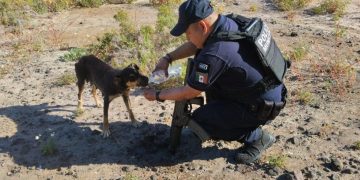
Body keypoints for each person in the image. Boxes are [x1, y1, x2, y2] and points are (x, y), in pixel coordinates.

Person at [143, 0, 286, 164]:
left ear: (203, 26)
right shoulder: (228, 23)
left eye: (188, 33)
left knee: (201, 121)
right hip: (265, 90)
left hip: (262, 106)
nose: (187, 37)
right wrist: (167, 58)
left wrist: (157, 95)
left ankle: (257, 138)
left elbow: (189, 92)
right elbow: (196, 44)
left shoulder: (216, 53)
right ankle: (229, 117)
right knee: (210, 91)